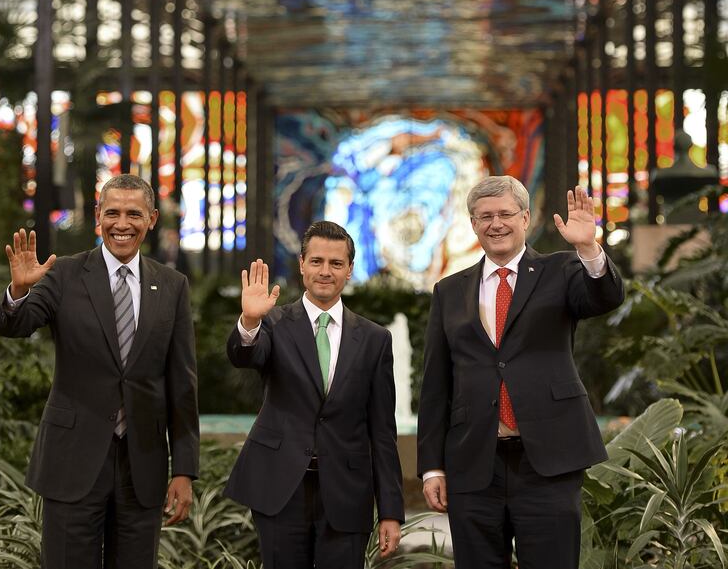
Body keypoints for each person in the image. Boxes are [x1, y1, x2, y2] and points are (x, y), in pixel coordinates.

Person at [0, 174, 199, 568]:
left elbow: (182, 383)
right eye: (113, 213)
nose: (123, 224)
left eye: (134, 214)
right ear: (97, 217)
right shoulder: (64, 274)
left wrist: (185, 469)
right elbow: (13, 326)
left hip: (144, 466)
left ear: (152, 218)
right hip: (73, 462)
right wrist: (18, 293)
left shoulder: (172, 286)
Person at [417, 176, 624, 568]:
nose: (496, 223)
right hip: (475, 464)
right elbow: (435, 385)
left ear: (525, 217)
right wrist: (432, 467)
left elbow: (606, 297)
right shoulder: (448, 291)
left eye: (505, 214)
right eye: (485, 216)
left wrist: (588, 248)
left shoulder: (562, 270)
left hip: (548, 459)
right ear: (473, 224)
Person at [224, 221, 405, 569]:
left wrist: (391, 511)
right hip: (280, 486)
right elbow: (245, 356)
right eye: (317, 261)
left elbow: (383, 432)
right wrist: (249, 321)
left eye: (336, 264)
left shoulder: (374, 339)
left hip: (346, 491)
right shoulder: (272, 323)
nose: (326, 271)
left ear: (350, 270)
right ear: (302, 264)